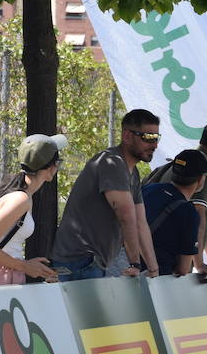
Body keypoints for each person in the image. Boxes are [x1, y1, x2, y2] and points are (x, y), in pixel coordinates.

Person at [51, 109, 160, 280]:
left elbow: (140, 223)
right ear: (127, 136)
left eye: (156, 138)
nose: (154, 145)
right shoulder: (112, 163)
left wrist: (154, 270)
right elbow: (126, 216)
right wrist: (135, 263)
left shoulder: (133, 173)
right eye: (147, 138)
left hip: (93, 262)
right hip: (79, 262)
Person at [144, 119, 207, 281]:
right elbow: (198, 215)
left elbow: (206, 220)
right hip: (164, 271)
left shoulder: (181, 163)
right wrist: (200, 264)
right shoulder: (202, 171)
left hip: (142, 261)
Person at [0, 134, 64, 286]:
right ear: (50, 168)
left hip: (5, 275)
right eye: (58, 162)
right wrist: (25, 266)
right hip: (0, 279)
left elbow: (6, 246)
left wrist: (27, 265)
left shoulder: (19, 194)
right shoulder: (19, 200)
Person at [142, 149, 207, 277]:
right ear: (200, 179)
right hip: (156, 279)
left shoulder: (148, 189)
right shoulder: (189, 213)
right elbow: (183, 269)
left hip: (126, 268)